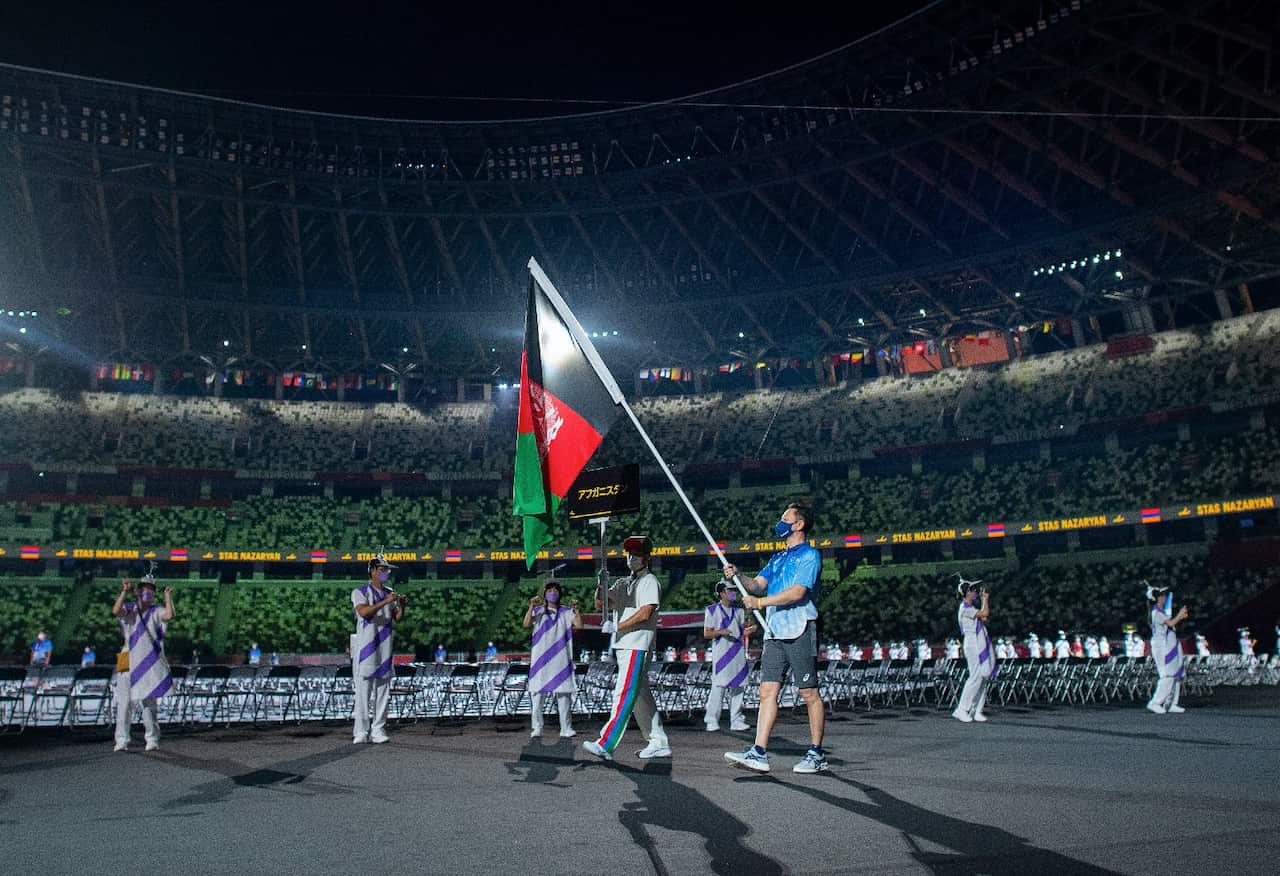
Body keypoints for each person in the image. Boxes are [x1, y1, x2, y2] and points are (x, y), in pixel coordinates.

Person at [722, 503, 826, 774]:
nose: (779, 522)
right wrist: (738, 575)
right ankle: (758, 752)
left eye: (785, 518)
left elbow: (797, 593)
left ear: (799, 524)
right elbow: (756, 585)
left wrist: (760, 603)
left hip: (801, 628)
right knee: (767, 691)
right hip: (775, 631)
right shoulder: (777, 558)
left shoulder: (810, 556)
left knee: (809, 692)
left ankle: (816, 753)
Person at [583, 535, 671, 762]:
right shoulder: (623, 582)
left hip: (637, 644)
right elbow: (602, 603)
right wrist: (600, 585)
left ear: (647, 557)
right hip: (625, 645)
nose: (631, 558)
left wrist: (617, 626)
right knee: (641, 697)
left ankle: (606, 743)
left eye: (637, 554)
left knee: (624, 693)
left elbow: (646, 612)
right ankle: (658, 742)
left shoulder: (650, 581)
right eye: (629, 554)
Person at [111, 567, 174, 752]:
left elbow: (169, 615)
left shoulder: (156, 611)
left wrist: (168, 597)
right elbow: (115, 611)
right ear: (137, 591)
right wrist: (124, 591)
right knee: (124, 703)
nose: (147, 592)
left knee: (148, 703)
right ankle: (122, 740)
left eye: (151, 589)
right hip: (128, 658)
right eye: (144, 588)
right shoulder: (129, 609)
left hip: (149, 661)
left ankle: (152, 738)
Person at [350, 554, 406, 745]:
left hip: (385, 646)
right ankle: (361, 731)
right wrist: (386, 601)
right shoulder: (360, 591)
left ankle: (378, 729)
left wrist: (402, 607)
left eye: (387, 570)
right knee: (363, 692)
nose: (386, 573)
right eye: (382, 570)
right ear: (372, 571)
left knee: (383, 691)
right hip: (366, 647)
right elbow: (364, 612)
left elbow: (396, 618)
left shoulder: (390, 592)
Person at [523, 577, 581, 738]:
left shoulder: (566, 612)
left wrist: (576, 609)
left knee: (564, 695)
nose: (553, 593)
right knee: (537, 695)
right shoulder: (538, 611)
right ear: (544, 594)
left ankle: (566, 728)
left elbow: (579, 625)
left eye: (555, 590)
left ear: (560, 593)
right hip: (540, 660)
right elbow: (526, 624)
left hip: (561, 659)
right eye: (549, 590)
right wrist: (531, 606)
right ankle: (537, 727)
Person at [703, 580, 757, 733]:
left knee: (739, 687)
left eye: (735, 590)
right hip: (721, 654)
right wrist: (721, 632)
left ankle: (737, 720)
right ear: (722, 593)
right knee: (718, 687)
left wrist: (750, 630)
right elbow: (707, 633)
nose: (734, 592)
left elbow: (739, 633)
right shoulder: (712, 610)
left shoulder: (739, 611)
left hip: (738, 652)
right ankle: (711, 720)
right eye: (730, 590)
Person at [953, 576, 997, 723]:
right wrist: (985, 600)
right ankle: (961, 709)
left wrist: (984, 603)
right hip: (972, 643)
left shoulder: (971, 608)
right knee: (975, 676)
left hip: (979, 642)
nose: (976, 592)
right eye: (973, 590)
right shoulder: (965, 608)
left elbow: (983, 618)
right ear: (967, 593)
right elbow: (985, 614)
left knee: (983, 676)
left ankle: (976, 709)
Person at [1145, 584, 1188, 715]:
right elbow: (1170, 624)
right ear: (1156, 598)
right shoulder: (1156, 613)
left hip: (1170, 644)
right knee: (1167, 675)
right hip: (1161, 647)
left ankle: (1171, 703)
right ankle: (1155, 702)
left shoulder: (1162, 612)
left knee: (1177, 675)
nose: (1164, 598)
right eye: (1162, 596)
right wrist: (1180, 616)